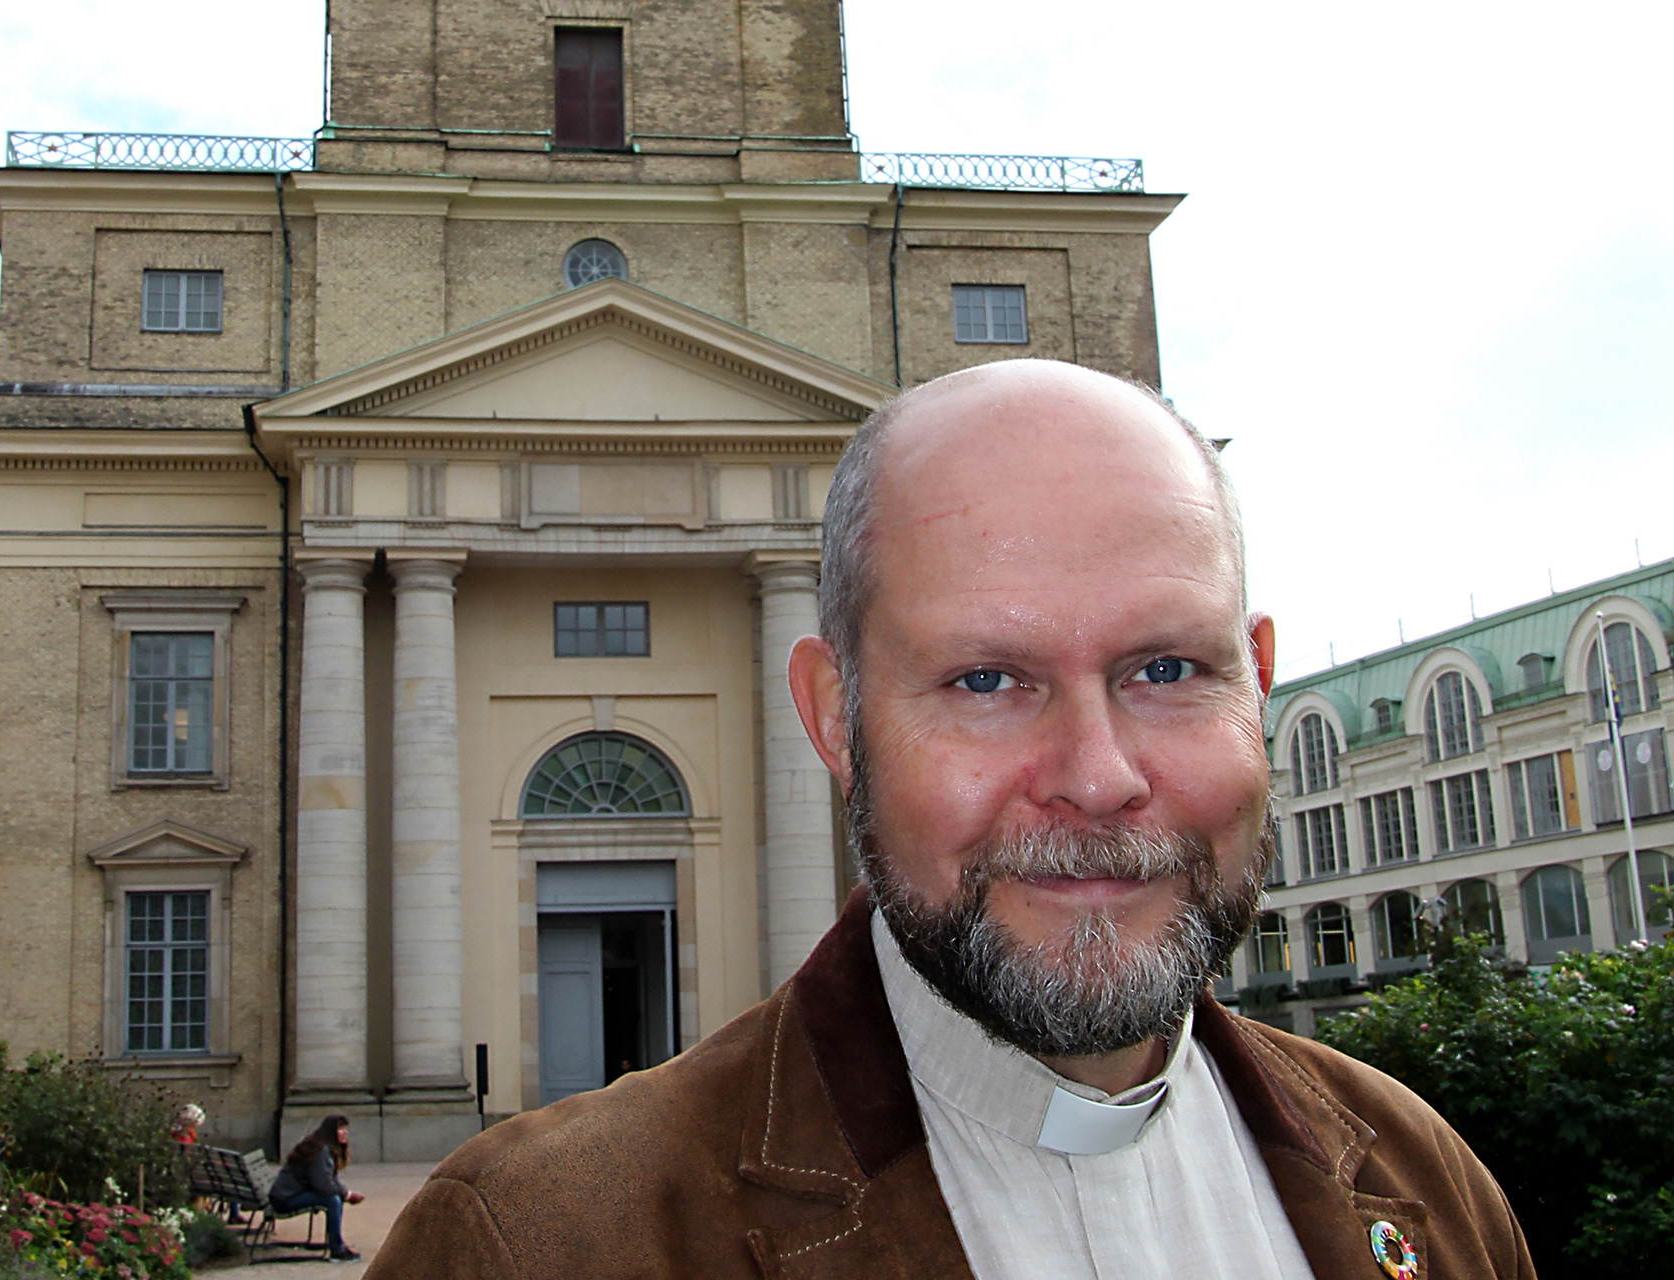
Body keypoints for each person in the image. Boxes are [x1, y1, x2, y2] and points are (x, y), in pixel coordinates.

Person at [371, 360, 1534, 1279]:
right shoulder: (534, 1244)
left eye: (1167, 667)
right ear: (836, 718)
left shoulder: (1427, 1181)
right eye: (987, 679)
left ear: (1260, 679)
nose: (1099, 775)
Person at [270, 1114, 366, 1262]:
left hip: (284, 1195)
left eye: (345, 1129)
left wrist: (346, 1193)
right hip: (285, 1199)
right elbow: (324, 1186)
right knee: (333, 1200)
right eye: (341, 1129)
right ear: (331, 1132)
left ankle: (337, 1245)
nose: (345, 1132)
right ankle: (337, 1249)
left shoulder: (319, 1146)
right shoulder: (320, 1151)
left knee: (334, 1198)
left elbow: (329, 1180)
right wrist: (347, 1195)